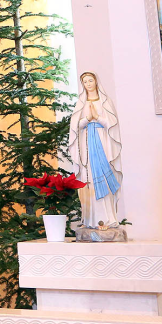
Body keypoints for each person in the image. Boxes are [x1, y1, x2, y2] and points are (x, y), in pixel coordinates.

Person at [67, 71, 123, 229]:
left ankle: (109, 219)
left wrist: (97, 117)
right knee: (89, 178)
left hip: (103, 143)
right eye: (85, 82)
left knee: (105, 175)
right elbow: (75, 127)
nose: (88, 84)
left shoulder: (105, 101)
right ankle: (91, 220)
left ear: (96, 81)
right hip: (87, 146)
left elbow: (112, 124)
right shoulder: (81, 103)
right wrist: (87, 118)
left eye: (90, 80)